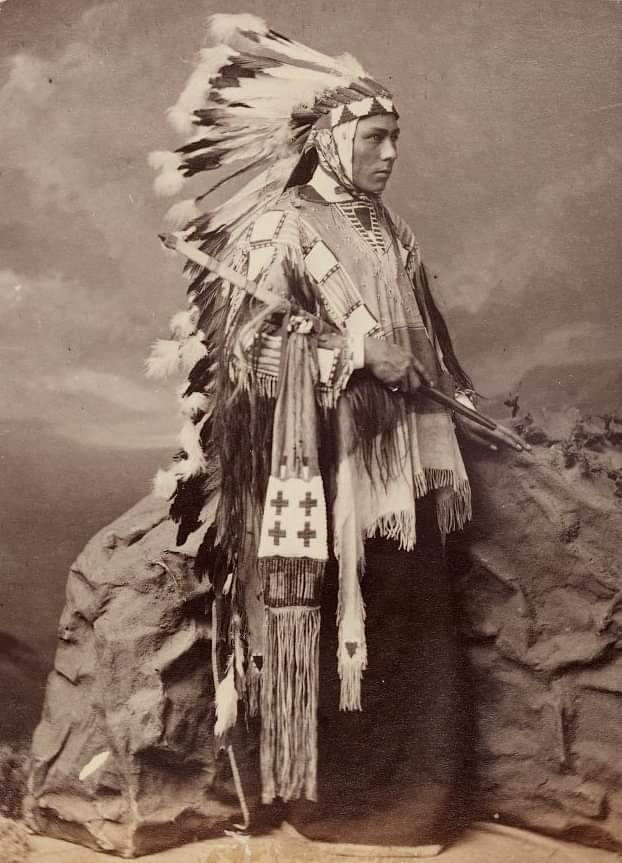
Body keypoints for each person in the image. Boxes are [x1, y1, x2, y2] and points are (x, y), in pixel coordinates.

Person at [148, 13, 516, 855]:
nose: (391, 154)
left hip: (405, 477)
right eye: (377, 137)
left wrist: (414, 357)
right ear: (331, 137)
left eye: (397, 139)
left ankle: (422, 803)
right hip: (324, 478)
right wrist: (350, 349)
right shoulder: (280, 228)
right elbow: (244, 357)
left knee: (414, 624)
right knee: (335, 631)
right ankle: (337, 808)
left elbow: (422, 338)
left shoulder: (393, 230)